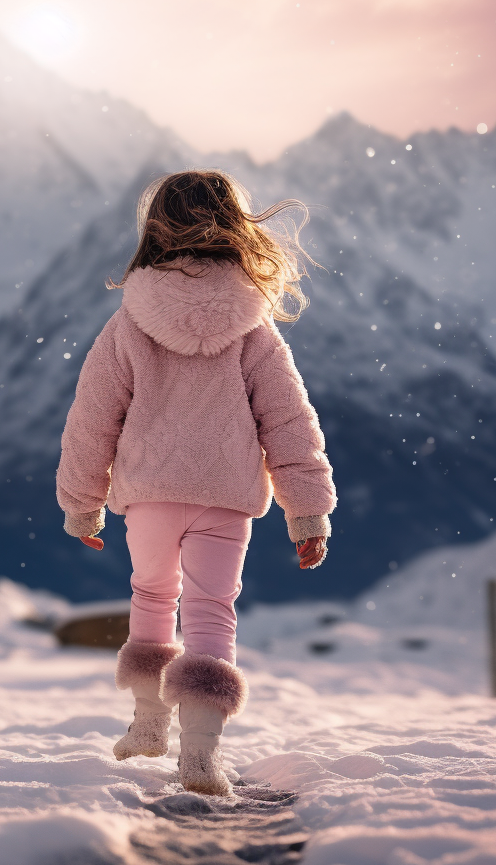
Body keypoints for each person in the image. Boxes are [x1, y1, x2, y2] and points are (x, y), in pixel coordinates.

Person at [56, 170, 335, 796]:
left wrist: (81, 502)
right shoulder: (255, 327)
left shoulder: (129, 322)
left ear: (154, 230)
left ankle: (149, 724)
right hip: (226, 496)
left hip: (150, 496)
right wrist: (308, 510)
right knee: (212, 614)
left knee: (152, 599)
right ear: (237, 230)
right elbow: (289, 420)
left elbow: (91, 417)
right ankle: (201, 755)